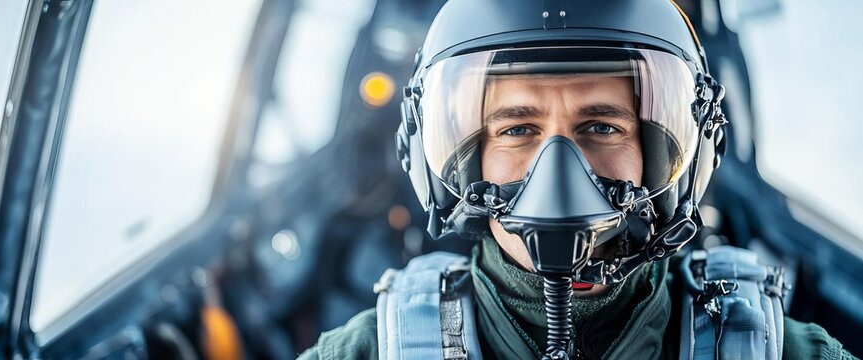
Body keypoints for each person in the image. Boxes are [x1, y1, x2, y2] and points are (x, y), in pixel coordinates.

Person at [299, 0, 854, 359]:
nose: (559, 171)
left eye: (600, 126)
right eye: (517, 129)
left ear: (662, 156)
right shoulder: (366, 351)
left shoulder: (778, 350)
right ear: (463, 161)